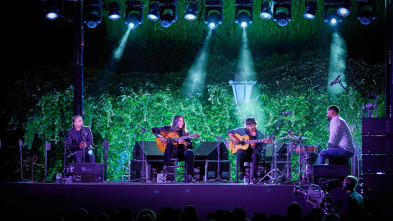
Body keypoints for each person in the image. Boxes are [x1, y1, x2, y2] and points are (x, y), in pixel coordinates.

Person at [152, 115, 196, 183]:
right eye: (180, 121)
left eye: (183, 121)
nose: (182, 123)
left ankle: (189, 176)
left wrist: (184, 143)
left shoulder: (185, 133)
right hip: (170, 153)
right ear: (175, 122)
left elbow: (191, 146)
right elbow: (154, 129)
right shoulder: (167, 129)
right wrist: (161, 137)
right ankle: (165, 168)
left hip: (180, 153)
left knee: (190, 152)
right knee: (170, 144)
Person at [228, 118, 266, 184]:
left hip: (254, 153)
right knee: (239, 151)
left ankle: (254, 177)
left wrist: (254, 147)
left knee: (255, 155)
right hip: (245, 154)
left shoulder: (260, 134)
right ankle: (242, 171)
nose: (250, 128)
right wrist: (235, 139)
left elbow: (261, 149)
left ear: (255, 125)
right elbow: (230, 132)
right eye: (248, 126)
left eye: (252, 125)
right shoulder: (243, 130)